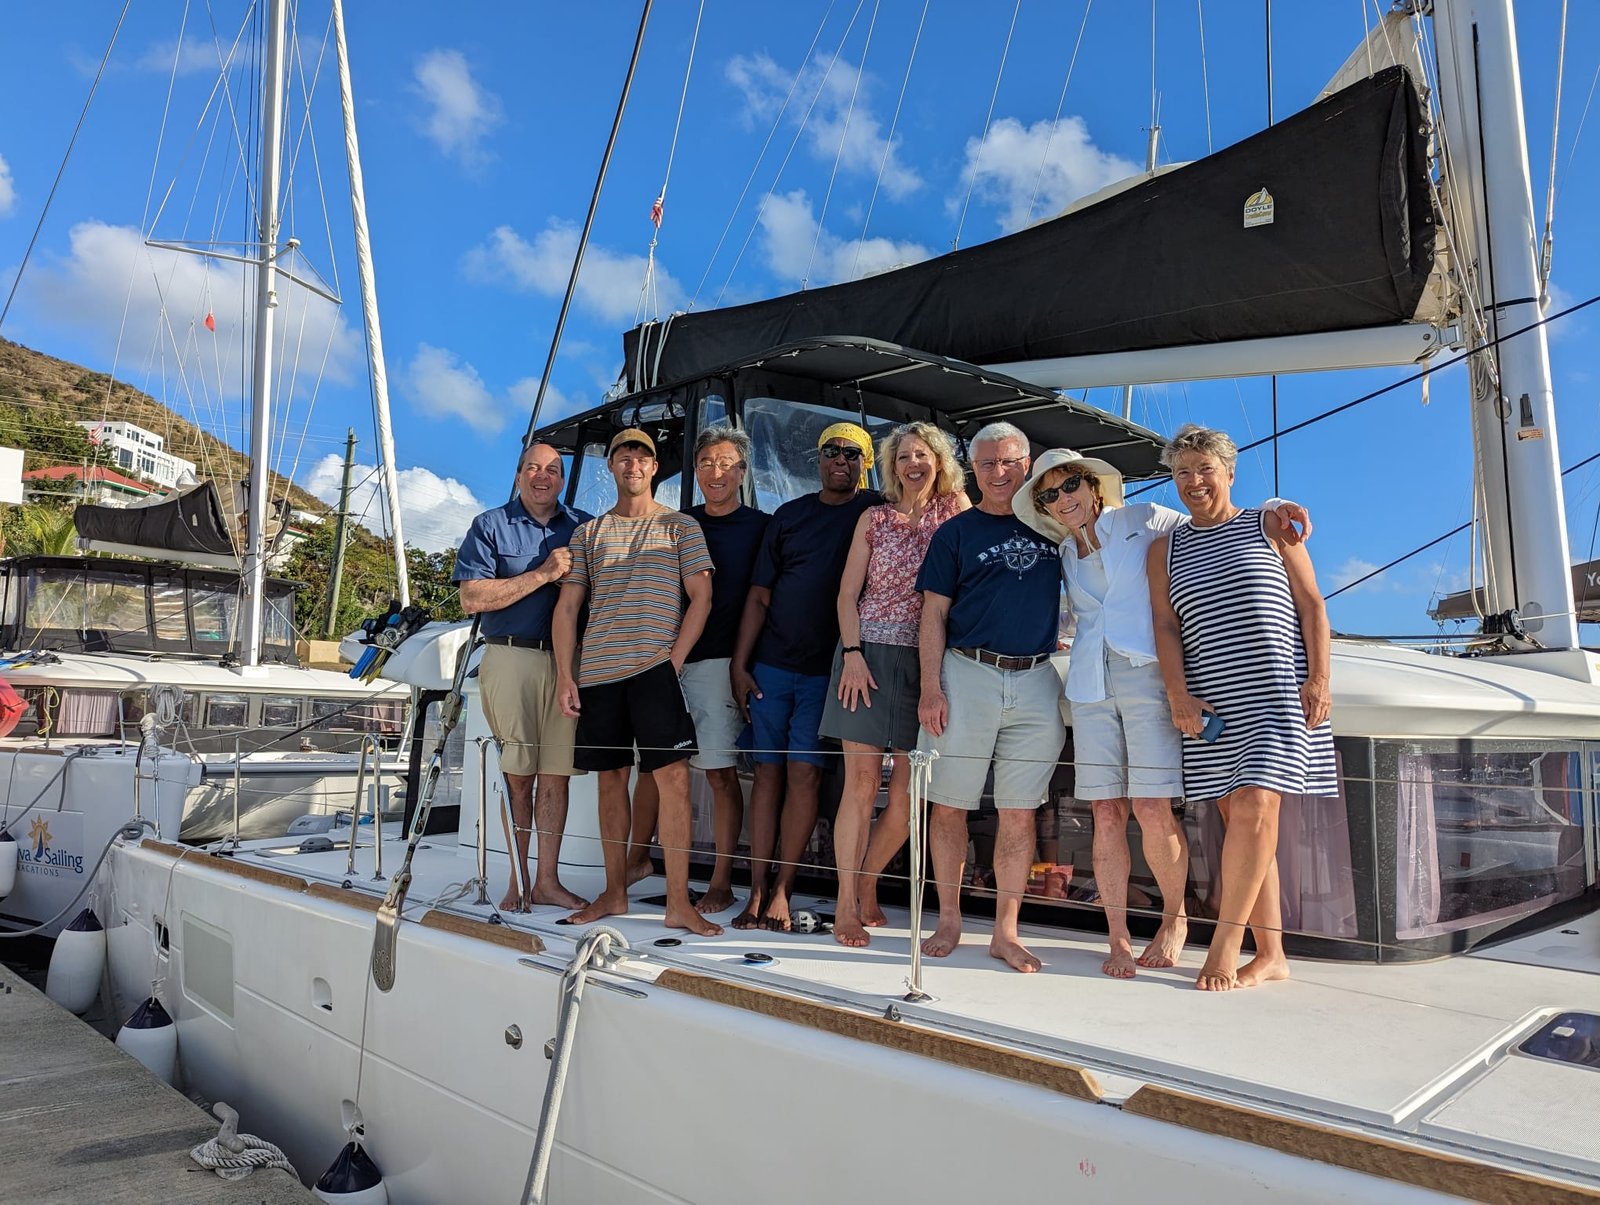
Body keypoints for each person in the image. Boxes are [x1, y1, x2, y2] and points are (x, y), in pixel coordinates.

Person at [1014, 450, 1309, 979]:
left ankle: (1174, 921)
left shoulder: (1144, 520)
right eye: (1049, 495)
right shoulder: (1060, 552)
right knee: (1105, 812)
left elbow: (1214, 515)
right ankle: (1119, 938)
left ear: (1094, 485)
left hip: (1149, 679)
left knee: (1152, 808)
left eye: (1072, 484)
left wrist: (1274, 506)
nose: (1064, 499)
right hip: (1090, 685)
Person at [1147, 423, 1336, 991]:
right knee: (1246, 827)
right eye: (1182, 472)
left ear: (1229, 473)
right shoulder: (1166, 548)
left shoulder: (1269, 525)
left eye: (1205, 469)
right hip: (1209, 701)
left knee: (1255, 809)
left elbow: (1312, 607)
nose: (1194, 481)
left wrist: (1321, 679)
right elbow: (1165, 625)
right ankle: (1273, 953)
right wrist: (1178, 694)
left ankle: (1224, 946)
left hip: (1277, 692)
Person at [552, 428, 722, 937]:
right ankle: (615, 893)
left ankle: (677, 902)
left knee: (672, 784)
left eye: (642, 456)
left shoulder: (680, 527)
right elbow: (567, 608)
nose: (633, 463)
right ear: (613, 466)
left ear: (654, 468)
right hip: (599, 673)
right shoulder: (588, 534)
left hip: (655, 672)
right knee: (610, 782)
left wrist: (672, 662)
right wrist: (566, 674)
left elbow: (703, 598)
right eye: (624, 455)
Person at [915, 421, 1065, 972]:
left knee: (1020, 814)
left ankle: (1005, 930)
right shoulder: (955, 533)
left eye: (1009, 462)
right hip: (967, 673)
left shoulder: (1057, 527)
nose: (998, 473)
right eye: (986, 464)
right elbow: (932, 614)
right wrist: (931, 687)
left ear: (1028, 465)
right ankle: (950, 919)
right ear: (971, 470)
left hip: (1037, 679)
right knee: (949, 805)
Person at [729, 421, 882, 931]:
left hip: (830, 673)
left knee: (805, 775)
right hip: (772, 666)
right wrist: (739, 663)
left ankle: (784, 889)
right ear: (817, 460)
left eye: (852, 454)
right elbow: (758, 596)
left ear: (865, 464)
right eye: (832, 452)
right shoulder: (789, 516)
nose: (841, 461)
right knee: (767, 775)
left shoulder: (876, 513)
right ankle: (755, 890)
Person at [821, 421, 968, 947]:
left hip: (928, 662)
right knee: (860, 787)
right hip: (865, 657)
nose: (913, 464)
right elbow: (846, 596)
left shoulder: (957, 512)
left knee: (910, 795)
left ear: (939, 461)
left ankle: (867, 882)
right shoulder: (873, 518)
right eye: (904, 456)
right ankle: (845, 905)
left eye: (923, 455)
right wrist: (854, 655)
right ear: (892, 465)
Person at [454, 442, 590, 913]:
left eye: (553, 469)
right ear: (518, 476)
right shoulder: (489, 526)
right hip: (511, 658)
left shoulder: (584, 526)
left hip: (569, 665)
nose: (543, 476)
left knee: (557, 776)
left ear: (562, 479)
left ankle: (547, 882)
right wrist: (543, 572)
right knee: (519, 777)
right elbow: (472, 598)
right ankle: (518, 878)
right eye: (534, 467)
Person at [649, 424, 769, 915]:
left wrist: (745, 664)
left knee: (720, 774)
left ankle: (721, 880)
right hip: (665, 662)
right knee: (657, 772)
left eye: (726, 463)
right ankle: (640, 865)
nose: (715, 472)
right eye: (706, 463)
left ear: (742, 471)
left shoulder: (763, 527)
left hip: (722, 662)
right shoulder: (675, 524)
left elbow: (765, 600)